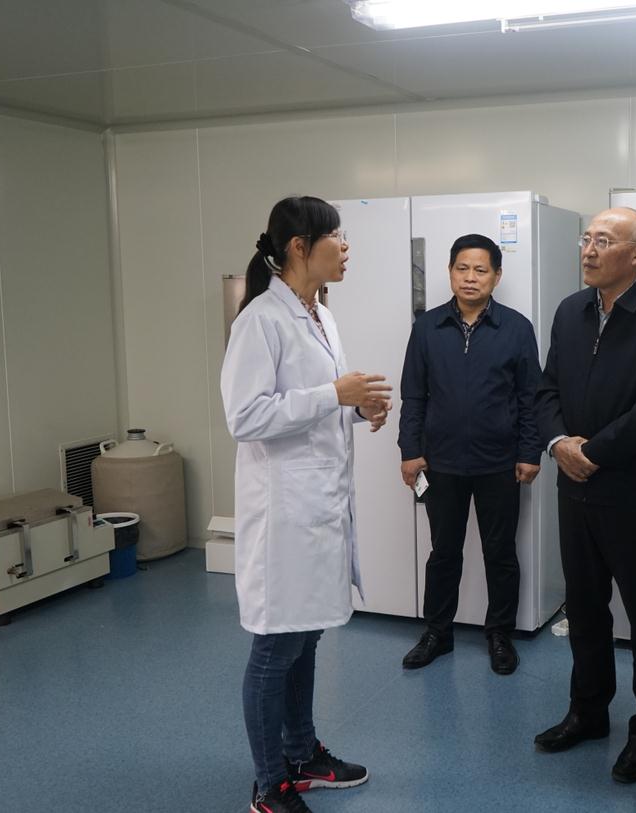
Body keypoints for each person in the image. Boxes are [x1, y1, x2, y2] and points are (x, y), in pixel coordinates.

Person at [220, 195, 392, 813]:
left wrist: (357, 405)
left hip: (318, 506)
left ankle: (301, 753)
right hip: (285, 514)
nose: (346, 248)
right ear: (299, 247)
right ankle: (269, 785)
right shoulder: (260, 320)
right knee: (276, 647)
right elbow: (245, 417)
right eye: (336, 237)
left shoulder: (320, 314)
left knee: (307, 637)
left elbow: (318, 398)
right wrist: (333, 395)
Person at [533, 207, 636, 784]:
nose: (588, 250)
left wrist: (593, 453)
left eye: (603, 241)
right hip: (573, 489)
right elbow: (546, 388)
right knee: (583, 608)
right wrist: (559, 444)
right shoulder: (570, 311)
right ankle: (588, 711)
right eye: (587, 239)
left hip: (632, 493)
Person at [398, 234, 543, 675]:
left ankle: (499, 634)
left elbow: (530, 398)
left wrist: (530, 451)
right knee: (443, 552)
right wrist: (410, 451)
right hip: (440, 463)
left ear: (496, 276)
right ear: (449, 272)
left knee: (500, 552)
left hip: (500, 462)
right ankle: (437, 633)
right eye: (462, 268)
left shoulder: (516, 328)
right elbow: (413, 396)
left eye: (481, 270)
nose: (470, 277)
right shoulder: (427, 328)